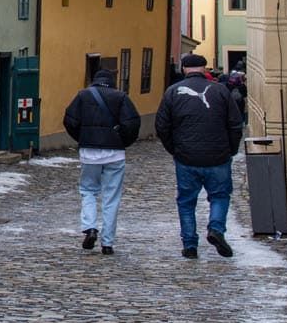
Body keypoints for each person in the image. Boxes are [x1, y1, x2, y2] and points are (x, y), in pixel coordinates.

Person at [155, 53, 245, 259]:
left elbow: (162, 126)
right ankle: (216, 229)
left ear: (184, 69)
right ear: (204, 69)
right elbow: (235, 124)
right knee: (220, 196)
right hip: (218, 156)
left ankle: (189, 245)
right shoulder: (221, 91)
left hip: (186, 157)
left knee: (186, 201)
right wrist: (230, 149)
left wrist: (174, 149)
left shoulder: (172, 92)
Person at [63, 69, 141, 256]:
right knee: (111, 197)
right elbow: (132, 123)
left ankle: (90, 227)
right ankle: (108, 243)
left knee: (88, 190)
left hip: (89, 153)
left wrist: (83, 139)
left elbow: (70, 121)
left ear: (94, 81)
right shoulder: (121, 97)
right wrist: (122, 142)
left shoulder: (82, 96)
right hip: (115, 154)